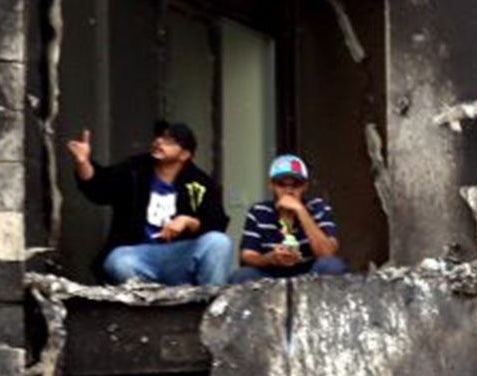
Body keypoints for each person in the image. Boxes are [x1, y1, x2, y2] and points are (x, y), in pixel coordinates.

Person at [68, 121, 236, 285]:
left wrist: (188, 221)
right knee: (118, 261)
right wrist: (83, 161)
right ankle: (154, 302)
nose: (159, 142)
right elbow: (99, 188)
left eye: (169, 141)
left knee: (219, 242)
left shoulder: (200, 183)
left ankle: (211, 306)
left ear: (184, 154)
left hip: (180, 257)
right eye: (159, 138)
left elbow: (217, 223)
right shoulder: (135, 170)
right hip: (139, 255)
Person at [233, 154, 348, 282]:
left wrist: (300, 211)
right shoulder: (258, 212)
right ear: (271, 185)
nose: (289, 190)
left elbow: (327, 253)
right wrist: (271, 258)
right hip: (270, 274)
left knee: (332, 266)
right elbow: (247, 256)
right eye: (281, 184)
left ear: (305, 186)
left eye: (296, 184)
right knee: (242, 275)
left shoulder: (318, 208)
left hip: (309, 274)